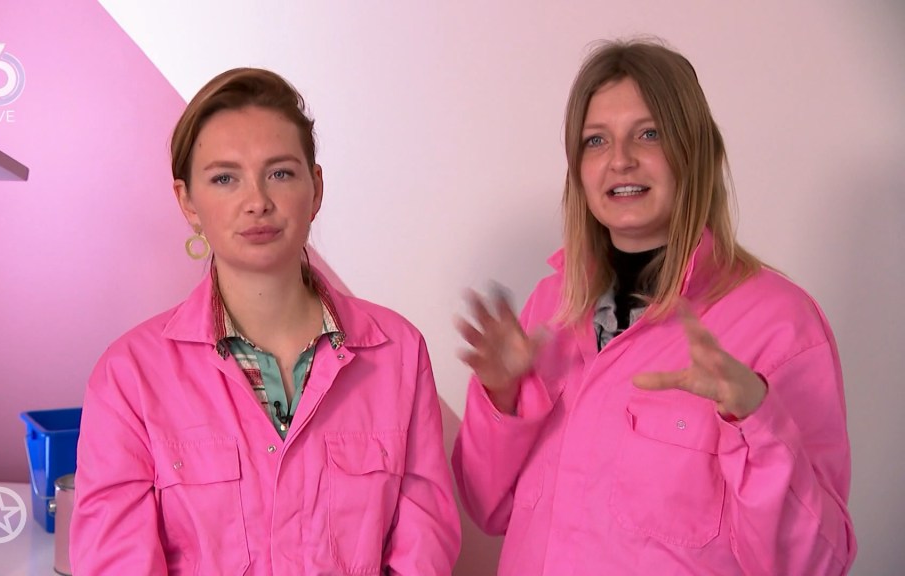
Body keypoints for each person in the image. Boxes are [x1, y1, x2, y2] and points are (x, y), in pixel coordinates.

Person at [453, 39, 856, 575]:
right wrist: (503, 399)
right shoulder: (551, 308)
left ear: (694, 152)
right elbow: (486, 507)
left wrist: (756, 420)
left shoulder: (780, 323)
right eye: (596, 140)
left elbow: (814, 563)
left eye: (649, 134)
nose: (620, 159)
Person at [71, 67, 461, 575]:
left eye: (280, 173)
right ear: (188, 202)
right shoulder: (130, 375)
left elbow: (423, 551)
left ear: (315, 189)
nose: (257, 201)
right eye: (224, 178)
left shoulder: (397, 352)